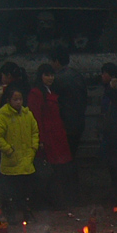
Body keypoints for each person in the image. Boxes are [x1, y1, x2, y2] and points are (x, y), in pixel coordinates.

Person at [28, 63, 73, 210]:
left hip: (57, 134)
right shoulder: (36, 93)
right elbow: (35, 117)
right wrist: (40, 138)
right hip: (47, 136)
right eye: (47, 75)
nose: (50, 78)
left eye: (52, 75)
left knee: (59, 170)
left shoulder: (50, 91)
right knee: (48, 171)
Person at [0, 87, 39, 220]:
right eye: (15, 99)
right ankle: (10, 214)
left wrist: (34, 147)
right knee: (11, 192)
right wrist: (8, 150)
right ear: (9, 100)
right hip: (11, 162)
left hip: (26, 160)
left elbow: (35, 131)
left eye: (20, 99)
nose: (18, 102)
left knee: (26, 191)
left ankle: (26, 212)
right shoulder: (4, 116)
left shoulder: (27, 114)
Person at [49, 46, 88, 159]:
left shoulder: (57, 79)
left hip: (65, 124)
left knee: (64, 157)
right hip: (79, 122)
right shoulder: (77, 75)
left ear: (56, 61)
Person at [99, 62, 117, 209]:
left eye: (104, 73)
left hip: (115, 134)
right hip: (113, 133)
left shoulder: (114, 91)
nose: (101, 76)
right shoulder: (114, 90)